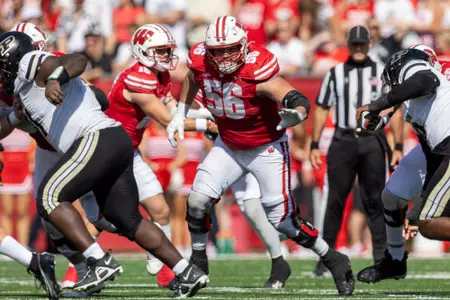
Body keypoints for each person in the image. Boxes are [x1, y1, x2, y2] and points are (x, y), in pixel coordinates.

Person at [0, 31, 207, 298]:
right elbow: (102, 99)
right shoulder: (23, 89)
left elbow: (77, 60)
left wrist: (55, 79)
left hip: (94, 138)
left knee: (49, 197)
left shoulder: (32, 63)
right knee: (127, 220)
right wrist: (21, 115)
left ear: (14, 57)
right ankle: (186, 271)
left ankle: (98, 262)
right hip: (116, 140)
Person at [167, 15, 355, 296]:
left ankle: (333, 258)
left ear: (243, 45)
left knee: (285, 223)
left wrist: (297, 113)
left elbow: (295, 97)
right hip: (229, 144)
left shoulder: (256, 68)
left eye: (230, 48)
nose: (223, 56)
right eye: (217, 51)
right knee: (196, 201)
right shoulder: (201, 61)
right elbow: (193, 77)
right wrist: (181, 113)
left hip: (265, 147)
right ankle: (198, 262)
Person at [105, 23, 216, 288]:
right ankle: (75, 273)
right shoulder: (137, 78)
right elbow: (168, 121)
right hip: (107, 154)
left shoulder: (160, 76)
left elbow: (176, 110)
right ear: (142, 51)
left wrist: (208, 113)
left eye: (168, 50)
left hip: (129, 153)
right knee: (99, 221)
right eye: (161, 50)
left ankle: (165, 266)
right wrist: (209, 125)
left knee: (161, 210)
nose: (167, 55)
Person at [309, 25, 404, 275]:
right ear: (348, 44)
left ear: (370, 43)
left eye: (363, 43)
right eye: (355, 44)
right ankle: (326, 258)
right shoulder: (335, 73)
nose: (359, 48)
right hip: (343, 140)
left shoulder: (381, 71)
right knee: (335, 202)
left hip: (373, 141)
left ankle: (384, 259)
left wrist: (398, 145)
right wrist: (315, 144)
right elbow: (320, 108)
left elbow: (394, 108)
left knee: (376, 201)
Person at [356, 45, 450, 283]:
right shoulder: (418, 88)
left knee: (428, 223)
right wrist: (382, 117)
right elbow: (407, 95)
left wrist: (377, 105)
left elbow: (423, 80)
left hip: (445, 144)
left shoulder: (421, 71)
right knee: (392, 196)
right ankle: (395, 261)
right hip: (436, 148)